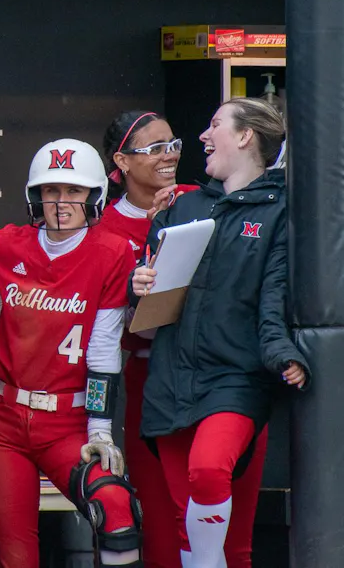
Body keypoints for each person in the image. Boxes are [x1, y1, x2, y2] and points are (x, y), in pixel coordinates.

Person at [131, 98, 309, 568]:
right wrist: (141, 284)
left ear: (246, 136)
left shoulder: (280, 211)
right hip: (169, 381)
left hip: (235, 379)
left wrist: (282, 354)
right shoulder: (183, 204)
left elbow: (275, 299)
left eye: (215, 125)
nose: (203, 136)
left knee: (207, 471)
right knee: (180, 517)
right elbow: (149, 305)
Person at [0, 139, 142, 568]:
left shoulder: (112, 252)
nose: (61, 202)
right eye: (51, 190)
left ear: (94, 195)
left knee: (116, 509)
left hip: (69, 422)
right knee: (13, 556)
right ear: (35, 195)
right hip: (4, 421)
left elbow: (102, 346)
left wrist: (100, 428)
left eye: (74, 191)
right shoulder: (7, 243)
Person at [102, 110, 269, 568]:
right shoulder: (105, 228)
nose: (169, 156)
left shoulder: (202, 198)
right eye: (154, 149)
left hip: (228, 375)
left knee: (232, 533)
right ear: (121, 161)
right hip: (155, 377)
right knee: (164, 531)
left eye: (173, 145)